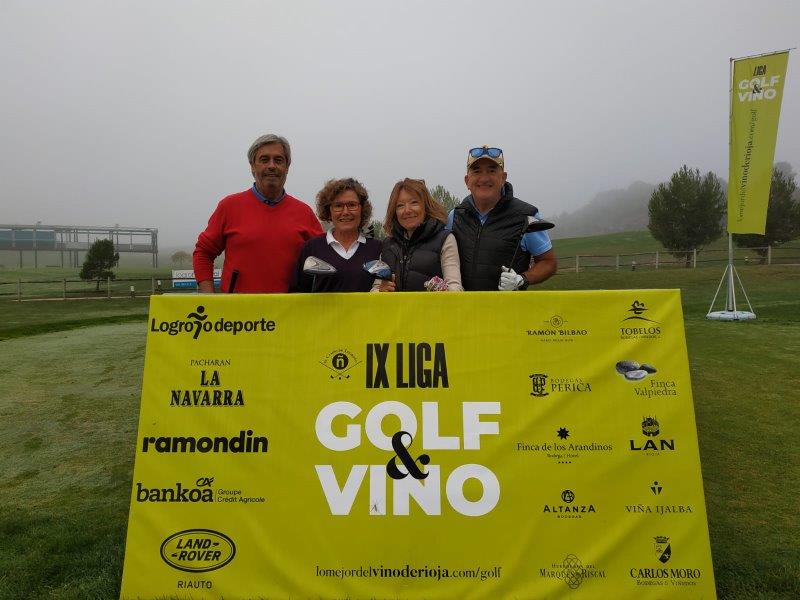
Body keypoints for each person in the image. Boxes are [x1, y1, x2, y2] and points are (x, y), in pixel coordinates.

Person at [193, 134, 323, 293]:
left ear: (287, 167)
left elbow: (324, 258)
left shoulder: (304, 212)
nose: (271, 166)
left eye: (279, 160)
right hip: (239, 314)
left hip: (289, 313)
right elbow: (203, 254)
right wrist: (209, 298)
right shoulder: (229, 206)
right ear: (252, 166)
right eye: (264, 159)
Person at [448, 146, 557, 291]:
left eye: (492, 170)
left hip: (508, 310)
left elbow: (548, 262)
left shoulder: (526, 216)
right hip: (464, 310)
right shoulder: (454, 216)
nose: (484, 178)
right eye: (476, 171)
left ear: (503, 178)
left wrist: (522, 279)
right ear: (467, 181)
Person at [291, 178, 381, 292]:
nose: (345, 212)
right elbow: (297, 294)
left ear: (362, 209)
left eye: (352, 205)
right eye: (338, 206)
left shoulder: (378, 249)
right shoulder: (312, 248)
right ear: (329, 211)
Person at [374, 178, 463, 292]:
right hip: (397, 310)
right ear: (394, 211)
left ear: (425, 206)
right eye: (400, 205)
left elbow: (455, 286)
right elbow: (375, 288)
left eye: (414, 203)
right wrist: (380, 291)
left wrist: (443, 293)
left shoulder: (445, 239)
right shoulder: (388, 244)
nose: (407, 210)